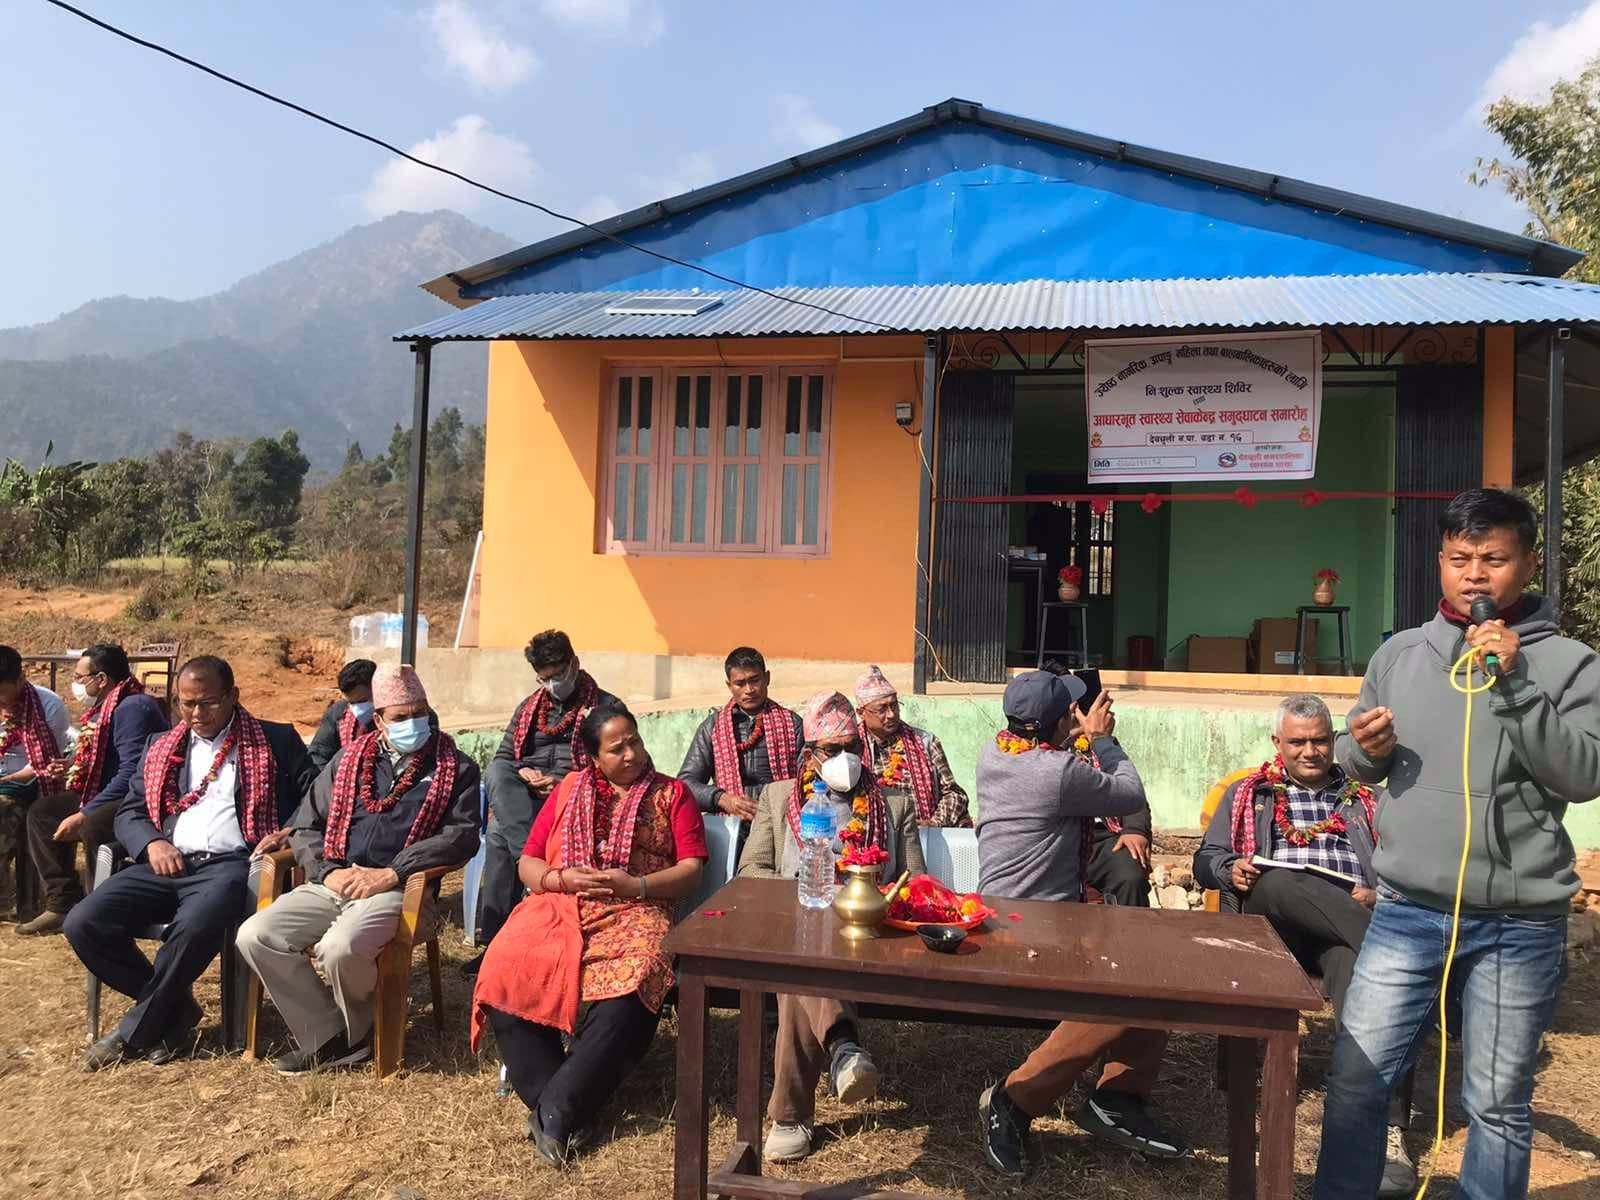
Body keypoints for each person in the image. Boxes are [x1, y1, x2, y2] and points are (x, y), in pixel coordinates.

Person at [1314, 488, 1599, 1200]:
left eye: (1494, 559)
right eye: (1460, 559)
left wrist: (1517, 684)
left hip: (1518, 923)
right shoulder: (1402, 654)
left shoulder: (1569, 663)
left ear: (1529, 564)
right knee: (1354, 1078)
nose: (1475, 575)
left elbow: (1583, 774)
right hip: (1408, 909)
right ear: (1439, 563)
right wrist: (1364, 749)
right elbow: (1352, 757)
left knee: (1497, 1104)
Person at [1195, 693, 1416, 1197]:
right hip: (1270, 925)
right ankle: (1402, 956)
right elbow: (1205, 859)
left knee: (1367, 975)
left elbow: (1401, 868)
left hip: (1345, 924)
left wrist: (1379, 892)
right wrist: (1230, 868)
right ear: (1278, 743)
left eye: (1320, 740)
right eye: (1298, 742)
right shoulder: (1251, 793)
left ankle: (1388, 1128)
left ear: (1334, 742)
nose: (1311, 751)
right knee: (1280, 882)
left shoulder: (1366, 798)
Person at [470, 703, 706, 1166]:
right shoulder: (569, 791)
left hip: (639, 907)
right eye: (617, 749)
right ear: (594, 757)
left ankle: (555, 1113)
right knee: (504, 965)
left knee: (636, 977)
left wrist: (634, 885)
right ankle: (563, 1101)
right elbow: (530, 862)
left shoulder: (672, 794)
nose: (632, 754)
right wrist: (563, 880)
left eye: (635, 741)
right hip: (560, 903)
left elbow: (692, 870)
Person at [974, 670, 1186, 1177]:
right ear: (1056, 723)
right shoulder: (1056, 773)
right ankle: (1015, 1099)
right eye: (1070, 710)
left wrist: (1073, 734)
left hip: (1014, 917)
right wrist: (1102, 738)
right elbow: (1129, 793)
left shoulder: (994, 753)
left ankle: (1118, 1099)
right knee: (1131, 988)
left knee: (1149, 967)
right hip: (1035, 929)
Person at [63, 655, 314, 1070]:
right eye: (186, 704)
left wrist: (287, 830)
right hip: (165, 863)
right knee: (82, 921)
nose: (197, 714)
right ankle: (175, 1011)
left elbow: (314, 799)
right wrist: (151, 845)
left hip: (234, 866)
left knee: (195, 926)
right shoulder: (161, 746)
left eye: (209, 703)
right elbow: (131, 811)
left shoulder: (275, 740)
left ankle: (133, 1034)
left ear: (233, 696)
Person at [236, 664, 481, 1074]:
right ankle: (332, 1034)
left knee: (340, 948)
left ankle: (354, 1034)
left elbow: (461, 836)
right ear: (380, 721)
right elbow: (307, 824)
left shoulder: (456, 768)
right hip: (335, 881)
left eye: (420, 712)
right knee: (257, 935)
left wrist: (393, 873)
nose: (413, 723)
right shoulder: (348, 762)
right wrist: (328, 871)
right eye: (401, 717)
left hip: (399, 891)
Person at [737, 690, 927, 1164]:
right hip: (794, 925)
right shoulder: (779, 798)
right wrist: (800, 891)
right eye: (832, 750)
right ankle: (844, 1048)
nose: (846, 759)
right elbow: (750, 870)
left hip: (865, 933)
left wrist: (869, 896)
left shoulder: (893, 804)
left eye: (854, 748)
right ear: (810, 754)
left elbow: (915, 883)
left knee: (801, 975)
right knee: (803, 961)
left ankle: (789, 1116)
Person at [472, 630, 618, 969]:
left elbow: (618, 767)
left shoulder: (606, 707)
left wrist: (564, 783)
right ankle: (497, 942)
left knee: (496, 836)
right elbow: (504, 757)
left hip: (580, 801)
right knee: (496, 775)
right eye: (545, 678)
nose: (553, 684)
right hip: (529, 803)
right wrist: (523, 772)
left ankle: (530, 880)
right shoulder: (529, 708)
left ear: (575, 664)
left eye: (559, 674)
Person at [18, 644, 169, 936]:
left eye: (79, 677)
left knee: (95, 825)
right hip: (106, 789)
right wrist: (72, 764)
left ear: (101, 679)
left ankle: (101, 907)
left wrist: (84, 813)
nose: (76, 684)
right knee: (43, 813)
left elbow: (131, 772)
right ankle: (62, 903)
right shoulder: (109, 704)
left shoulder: (132, 708)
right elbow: (103, 756)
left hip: (140, 796)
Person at [1041, 660, 1151, 905]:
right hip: (1055, 836)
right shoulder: (1030, 747)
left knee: (1129, 876)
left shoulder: (1101, 744)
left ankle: (1131, 942)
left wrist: (1135, 830)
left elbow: (1131, 790)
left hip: (1102, 837)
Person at [676, 646, 802, 852]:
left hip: (782, 825)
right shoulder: (712, 727)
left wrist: (775, 806)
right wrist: (722, 799)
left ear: (767, 678)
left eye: (755, 680)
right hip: (730, 827)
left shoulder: (792, 724)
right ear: (729, 685)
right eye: (740, 683)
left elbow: (807, 780)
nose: (749, 690)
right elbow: (685, 784)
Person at [0, 644, 71, 918]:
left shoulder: (47, 705)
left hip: (27, 783)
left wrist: (6, 778)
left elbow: (43, 766)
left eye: (3, 693)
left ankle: (17, 901)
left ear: (21, 679)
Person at [853, 665, 970, 828]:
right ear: (861, 712)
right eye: (881, 709)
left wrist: (934, 823)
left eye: (894, 705)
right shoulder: (851, 748)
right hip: (871, 842)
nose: (891, 714)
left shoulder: (925, 743)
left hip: (920, 838)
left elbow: (955, 795)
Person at [306, 659, 378, 772]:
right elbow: (319, 754)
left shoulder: (394, 716)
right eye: (352, 703)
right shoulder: (338, 712)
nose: (357, 709)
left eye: (362, 701)